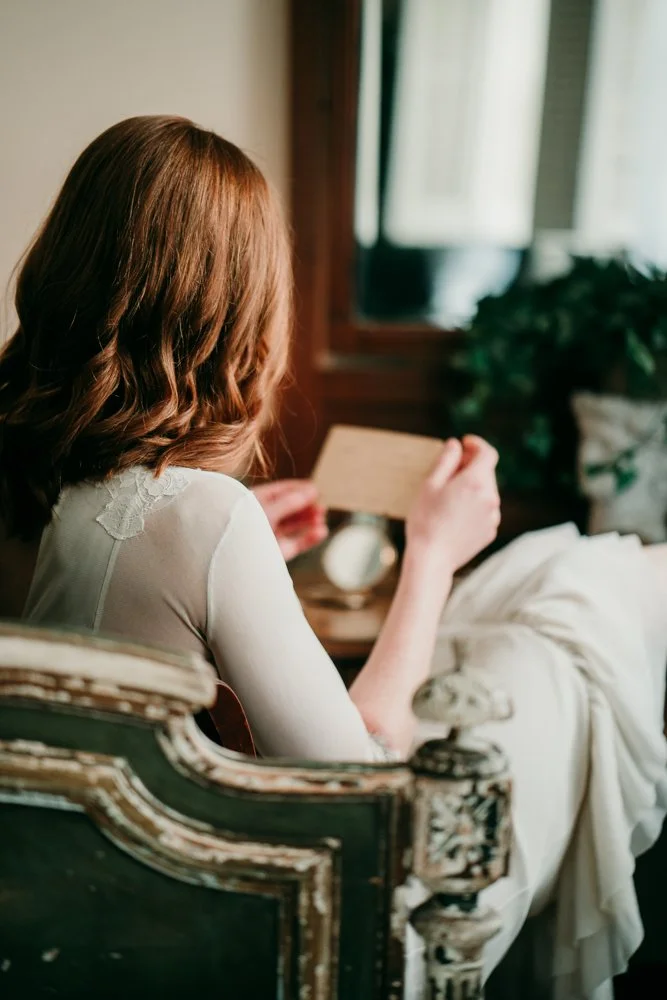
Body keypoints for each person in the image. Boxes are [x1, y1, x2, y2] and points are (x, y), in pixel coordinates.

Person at [0, 115, 500, 764]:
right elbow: (354, 784)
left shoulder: (165, 516)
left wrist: (210, 561)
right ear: (239, 321)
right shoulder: (202, 517)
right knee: (553, 617)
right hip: (172, 867)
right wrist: (431, 559)